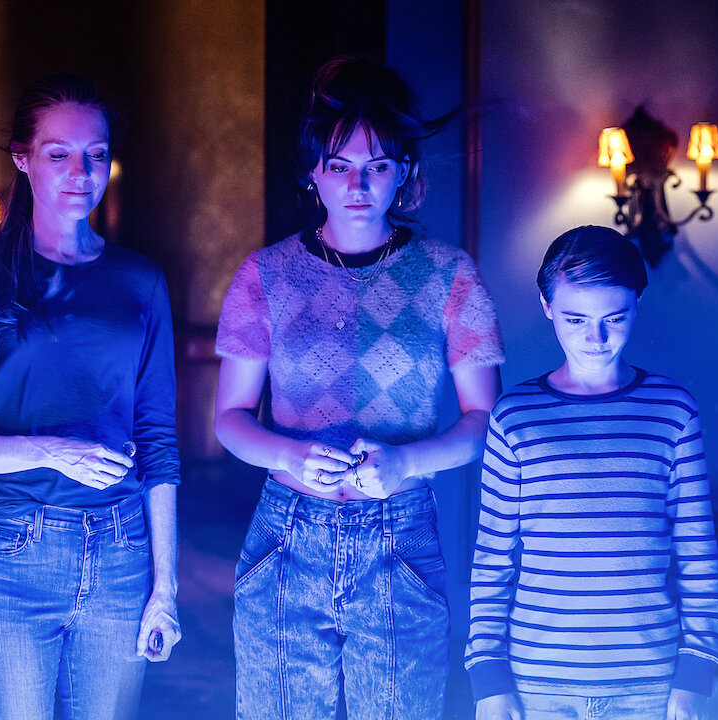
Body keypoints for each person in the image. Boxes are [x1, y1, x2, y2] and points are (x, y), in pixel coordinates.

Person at [214, 56, 505, 720]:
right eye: (339, 165)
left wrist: (407, 462)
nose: (357, 185)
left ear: (403, 171)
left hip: (401, 538)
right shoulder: (265, 275)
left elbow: (481, 424)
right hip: (286, 537)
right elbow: (230, 416)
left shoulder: (449, 275)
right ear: (311, 172)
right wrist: (287, 454)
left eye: (376, 166)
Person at [0, 73, 181, 720]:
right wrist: (49, 451)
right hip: (13, 554)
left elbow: (158, 441)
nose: (81, 172)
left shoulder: (141, 280)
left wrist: (165, 587)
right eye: (59, 153)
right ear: (23, 158)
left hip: (123, 555)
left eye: (96, 154)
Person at [465, 225, 718, 720]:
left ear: (637, 303)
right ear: (547, 306)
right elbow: (492, 559)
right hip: (537, 684)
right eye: (576, 319)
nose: (595, 338)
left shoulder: (673, 411)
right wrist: (488, 682)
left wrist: (695, 675)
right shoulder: (515, 416)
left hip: (651, 684)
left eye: (614, 318)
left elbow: (697, 553)